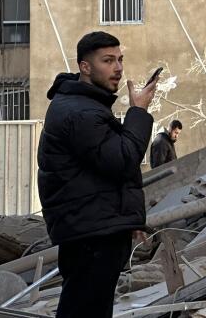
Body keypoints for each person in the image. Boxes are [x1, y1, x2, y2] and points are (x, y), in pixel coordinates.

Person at [38, 32, 158, 318]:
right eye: (108, 61)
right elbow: (123, 159)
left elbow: (102, 171)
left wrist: (126, 220)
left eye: (120, 60)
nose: (118, 68)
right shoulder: (81, 113)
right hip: (90, 234)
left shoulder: (84, 105)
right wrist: (138, 112)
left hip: (94, 228)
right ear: (85, 67)